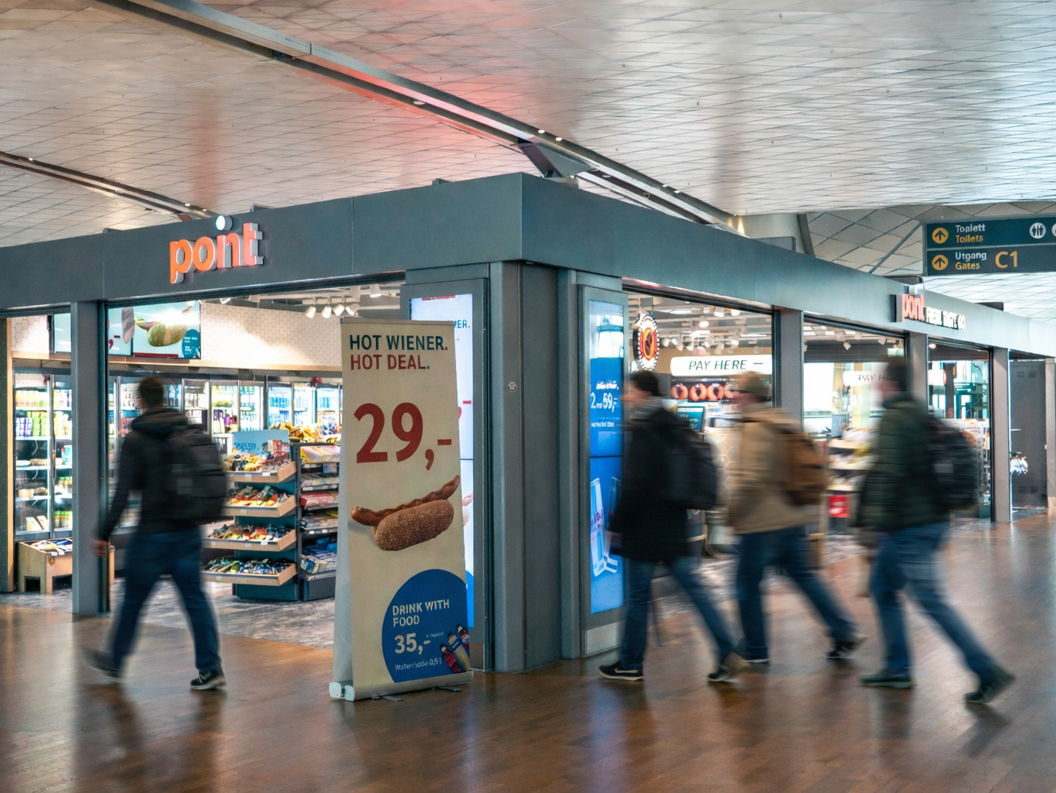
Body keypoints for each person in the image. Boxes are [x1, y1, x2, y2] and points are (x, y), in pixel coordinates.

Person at [859, 357, 1013, 704]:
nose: (876, 387)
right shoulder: (921, 415)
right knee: (883, 589)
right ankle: (897, 668)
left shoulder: (894, 421)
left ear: (889, 384)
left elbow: (890, 478)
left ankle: (985, 667)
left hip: (906, 528)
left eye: (879, 381)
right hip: (929, 522)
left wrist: (873, 526)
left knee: (930, 599)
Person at [598, 370, 744, 684]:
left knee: (637, 598)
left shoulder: (644, 430)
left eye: (631, 391)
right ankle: (725, 648)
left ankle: (630, 662)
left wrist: (616, 525)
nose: (626, 397)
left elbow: (635, 487)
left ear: (643, 394)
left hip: (645, 529)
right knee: (695, 591)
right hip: (674, 526)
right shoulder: (673, 424)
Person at [83, 377, 226, 691]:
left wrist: (103, 533)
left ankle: (115, 662)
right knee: (196, 601)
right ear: (165, 398)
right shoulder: (187, 430)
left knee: (133, 600)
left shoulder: (136, 440)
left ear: (140, 401)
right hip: (188, 533)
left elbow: (122, 492)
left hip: (151, 535)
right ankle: (211, 668)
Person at [727, 371, 863, 665]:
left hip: (762, 522)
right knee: (804, 578)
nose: (733, 397)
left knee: (746, 585)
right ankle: (843, 630)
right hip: (792, 518)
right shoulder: (782, 421)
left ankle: (755, 647)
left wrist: (732, 513)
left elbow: (751, 479)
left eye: (736, 391)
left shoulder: (753, 427)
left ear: (748, 395)